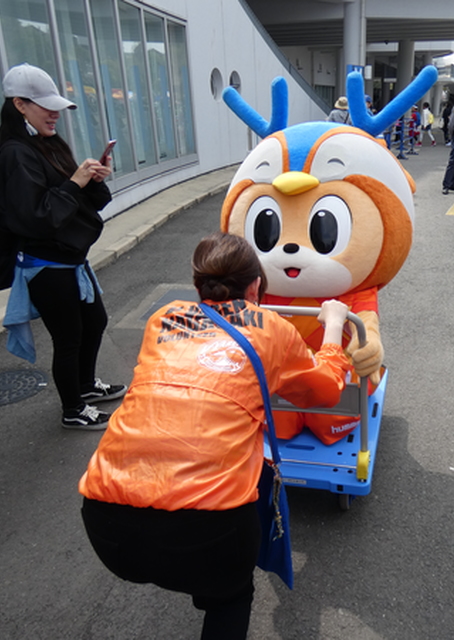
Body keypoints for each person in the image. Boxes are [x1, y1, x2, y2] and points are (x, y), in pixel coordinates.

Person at [79, 231, 351, 640]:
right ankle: (213, 590)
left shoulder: (162, 318)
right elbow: (327, 391)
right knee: (230, 597)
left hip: (106, 523)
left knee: (195, 564)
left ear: (196, 285)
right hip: (211, 531)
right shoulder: (271, 330)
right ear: (256, 285)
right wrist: (332, 325)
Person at [0, 63, 125, 430]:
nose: (54, 113)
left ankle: (85, 387)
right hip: (45, 264)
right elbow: (37, 217)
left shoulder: (47, 143)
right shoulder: (14, 153)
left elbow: (85, 204)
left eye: (57, 106)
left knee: (95, 322)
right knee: (68, 338)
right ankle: (73, 409)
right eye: (45, 105)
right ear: (19, 104)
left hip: (71, 260)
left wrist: (95, 179)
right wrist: (75, 182)